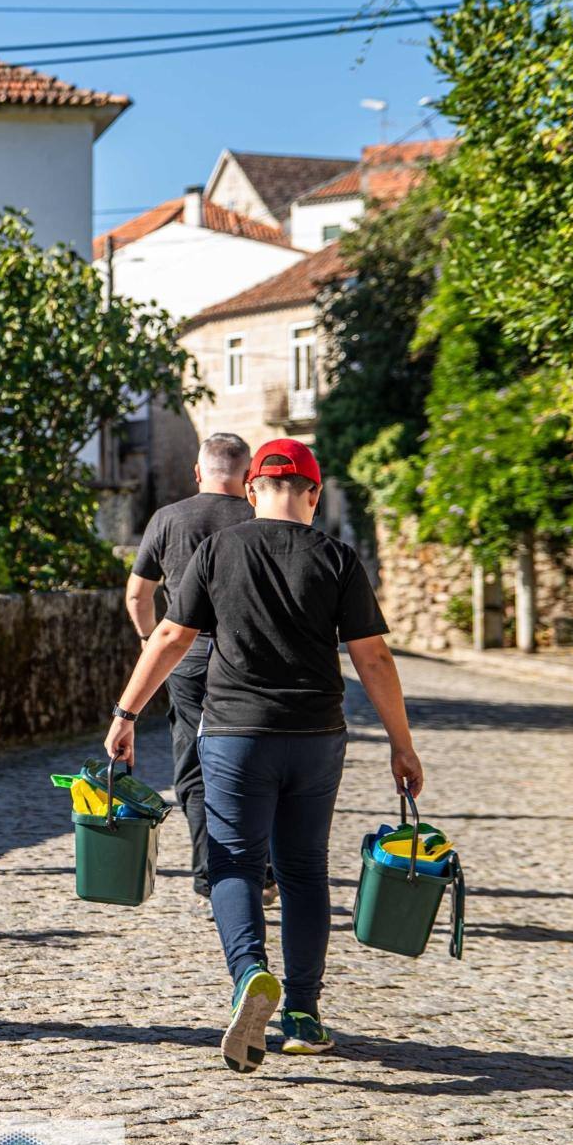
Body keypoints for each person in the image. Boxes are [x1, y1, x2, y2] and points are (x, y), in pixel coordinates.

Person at [103, 438, 424, 1073]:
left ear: (252, 491)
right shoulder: (337, 558)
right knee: (303, 871)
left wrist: (127, 712)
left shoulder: (219, 549)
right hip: (315, 737)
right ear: (314, 491)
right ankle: (303, 1015)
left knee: (233, 863)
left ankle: (250, 972)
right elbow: (374, 659)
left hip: (234, 735)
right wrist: (401, 744)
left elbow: (169, 634)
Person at [125, 432, 259, 915]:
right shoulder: (258, 517)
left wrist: (149, 645)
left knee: (195, 769)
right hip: (248, 661)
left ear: (199, 472)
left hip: (185, 661)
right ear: (247, 477)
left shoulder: (169, 519)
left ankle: (209, 875)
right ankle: (259, 870)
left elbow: (138, 597)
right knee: (252, 763)